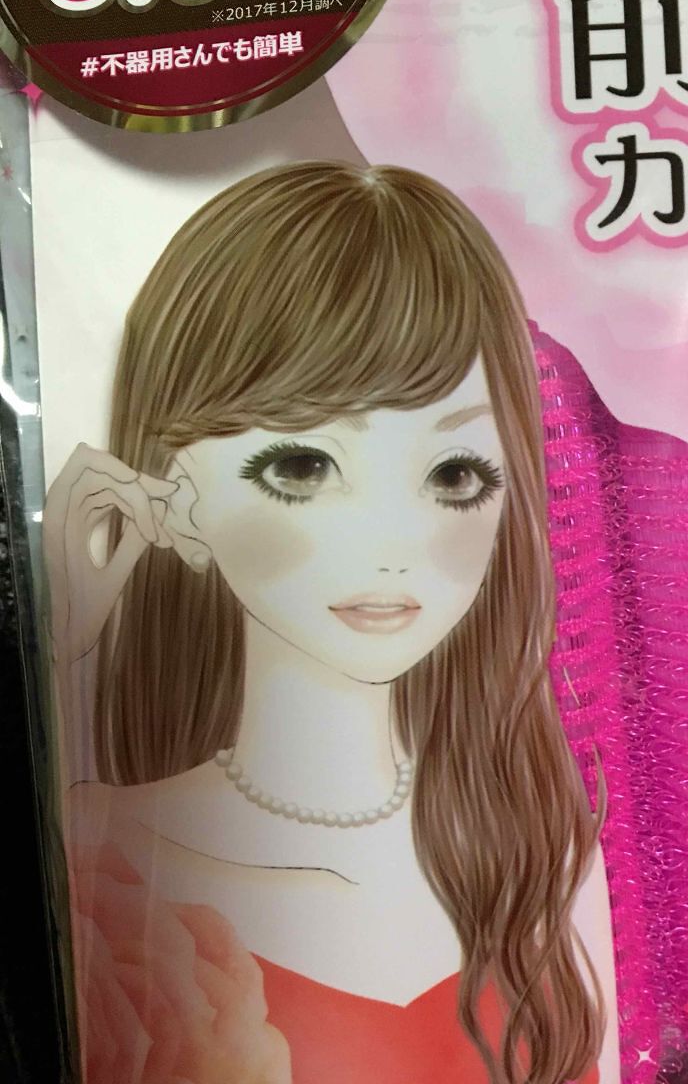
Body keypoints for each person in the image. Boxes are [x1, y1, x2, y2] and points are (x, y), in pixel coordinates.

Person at [44, 162, 620, 1084]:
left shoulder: (534, 844)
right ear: (175, 492)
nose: (392, 546)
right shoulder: (93, 851)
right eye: (303, 467)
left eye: (454, 474)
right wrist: (53, 665)